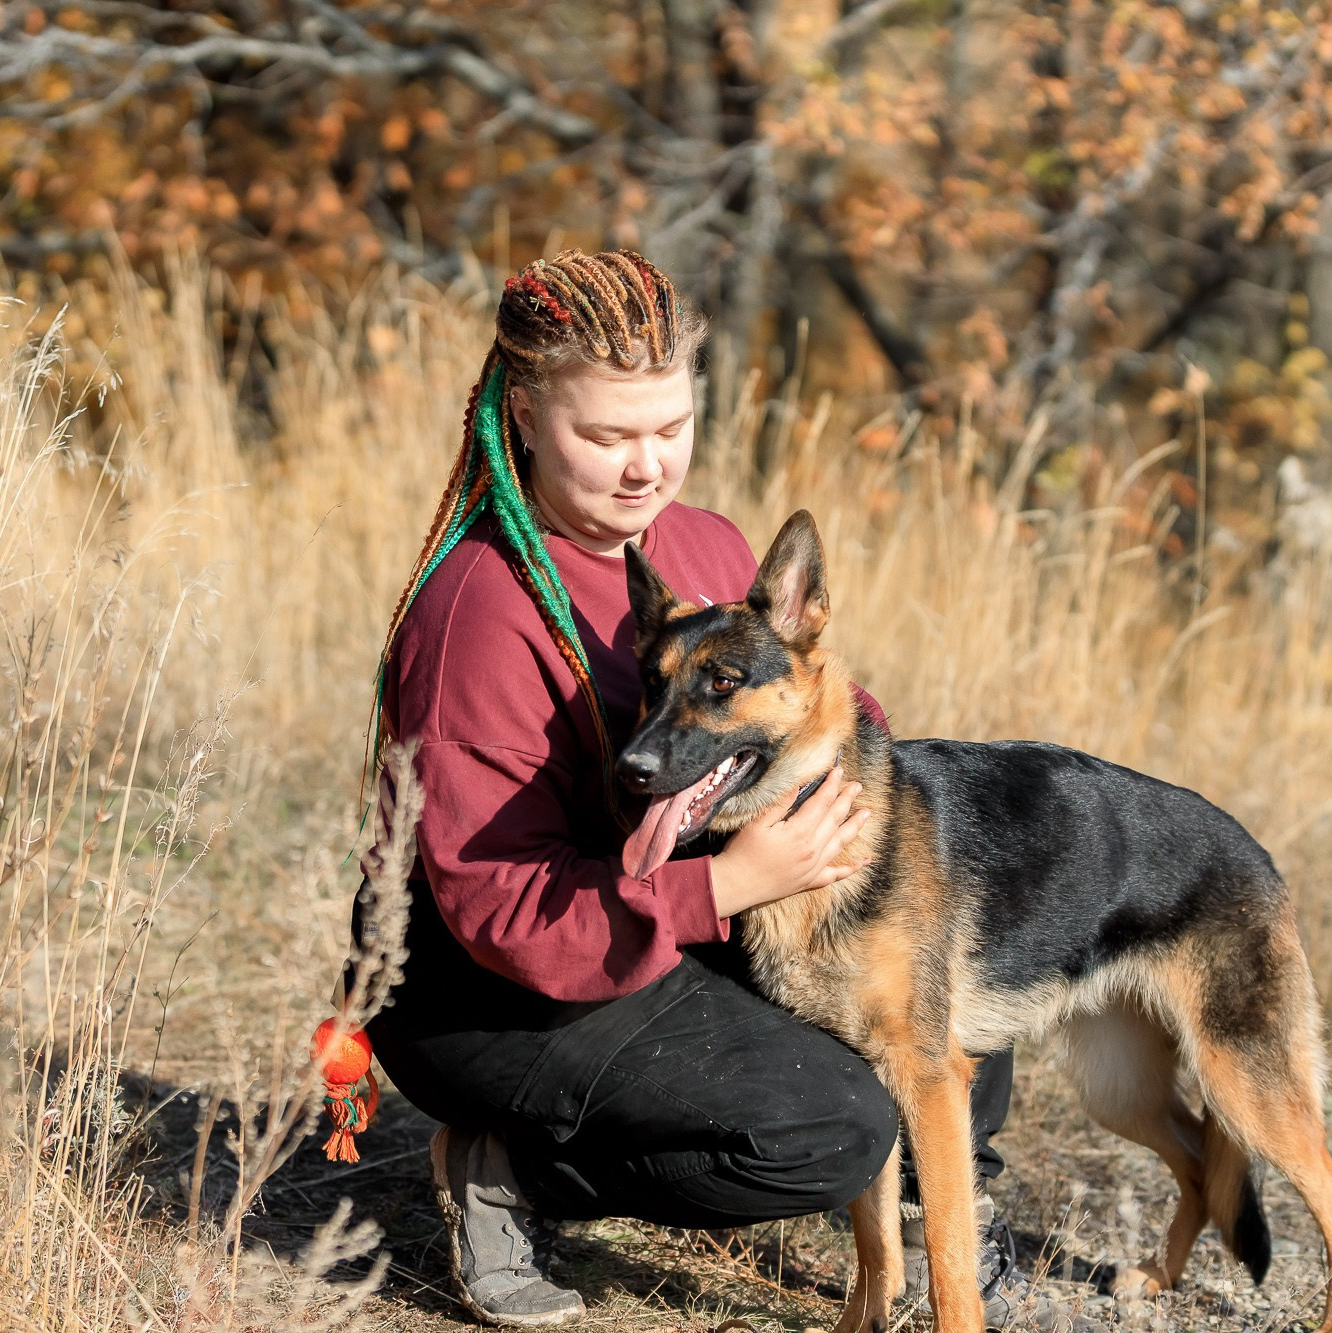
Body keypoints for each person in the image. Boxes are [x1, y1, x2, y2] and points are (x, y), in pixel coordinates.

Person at [363, 250, 1023, 1328]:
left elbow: (813, 703)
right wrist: (725, 884)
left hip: (667, 893)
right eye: (605, 436)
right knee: (826, 1126)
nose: (644, 468)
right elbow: (497, 912)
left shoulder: (698, 542)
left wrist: (842, 812)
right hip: (483, 977)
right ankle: (516, 1169)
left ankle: (926, 1219)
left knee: (940, 1014)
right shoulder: (476, 614)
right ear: (523, 415)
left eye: (668, 428)